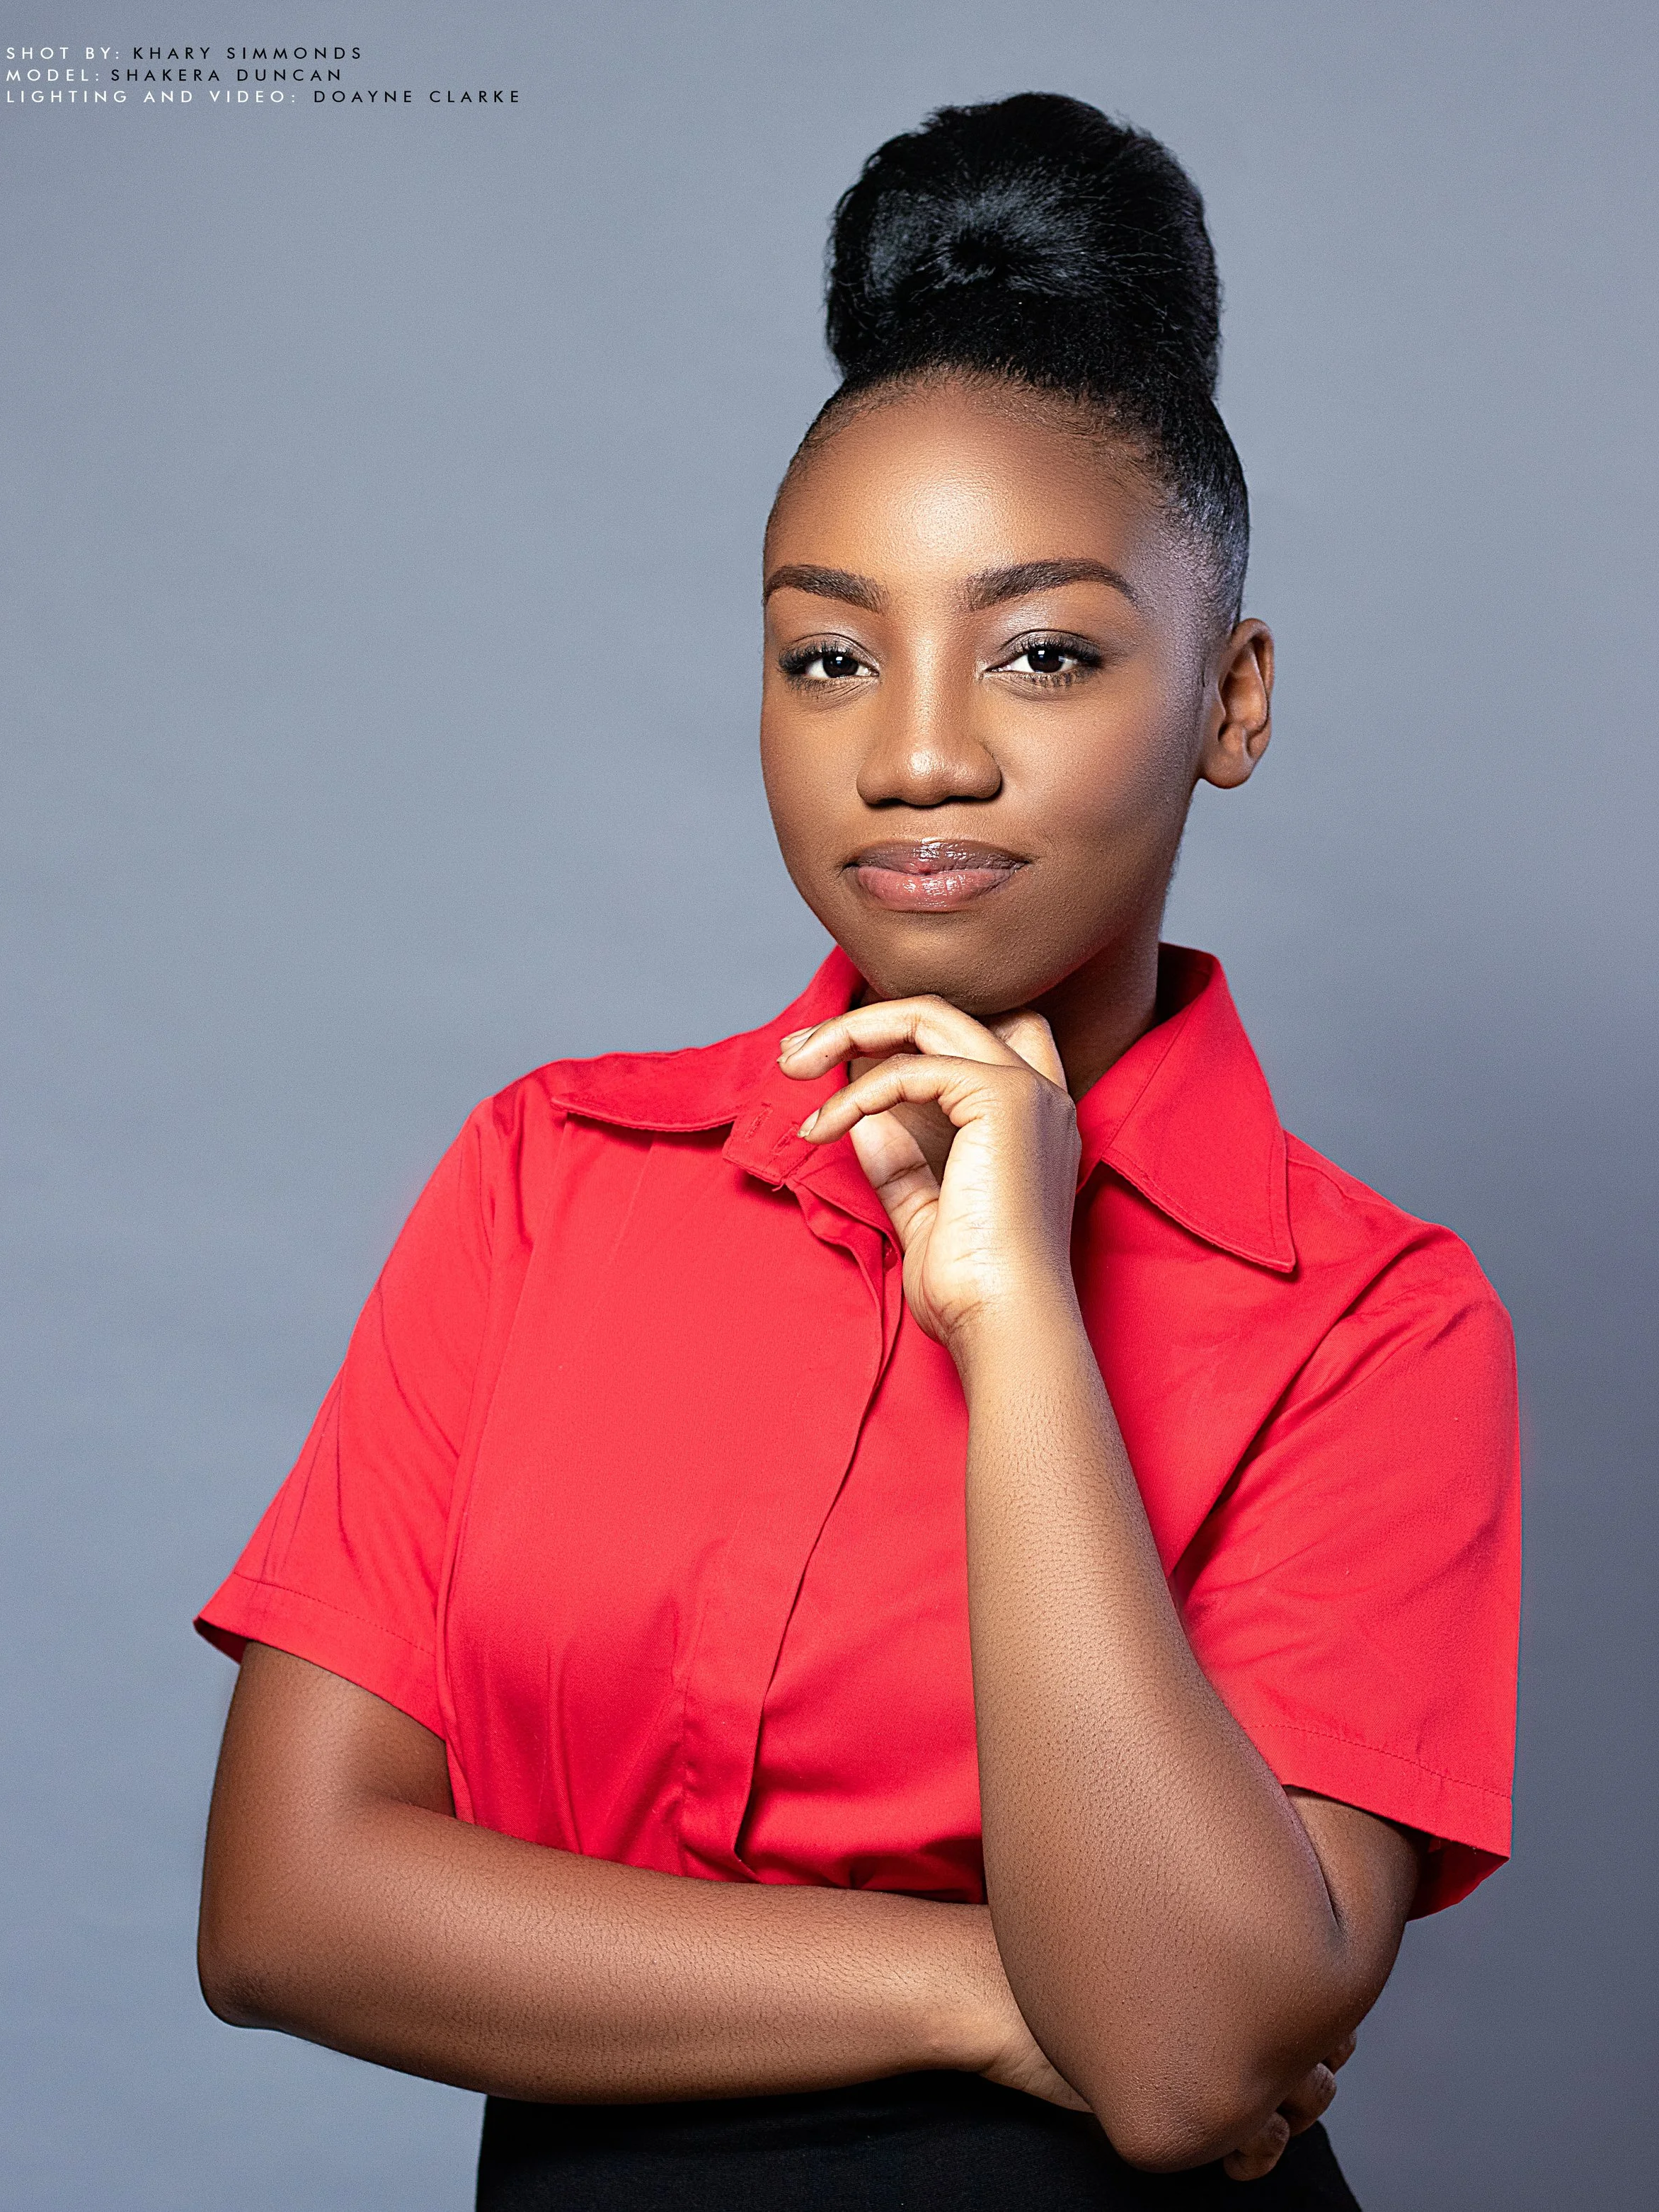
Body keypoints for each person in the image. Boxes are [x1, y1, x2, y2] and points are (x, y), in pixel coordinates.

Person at [194, 93, 1519, 2210]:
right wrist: (990, 1990)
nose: (912, 753)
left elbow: (1180, 2065)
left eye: (1046, 650)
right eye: (828, 652)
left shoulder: (1369, 1317)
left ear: (1230, 698)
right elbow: (280, 1908)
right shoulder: (548, 1177)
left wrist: (1017, 1313)